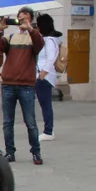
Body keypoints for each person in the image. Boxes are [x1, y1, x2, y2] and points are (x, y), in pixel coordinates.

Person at [0, 7, 45, 164]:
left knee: (30, 122)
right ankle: (10, 152)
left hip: (26, 86)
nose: (21, 21)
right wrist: (0, 28)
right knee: (8, 122)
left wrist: (30, 29)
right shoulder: (10, 37)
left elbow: (40, 45)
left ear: (31, 20)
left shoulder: (34, 37)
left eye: (25, 18)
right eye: (19, 18)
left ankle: (36, 152)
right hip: (8, 84)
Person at [35, 14, 63, 142]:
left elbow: (51, 58)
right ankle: (48, 130)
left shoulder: (50, 40)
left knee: (45, 104)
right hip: (41, 74)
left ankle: (48, 131)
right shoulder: (45, 39)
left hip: (44, 76)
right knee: (44, 103)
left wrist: (42, 74)